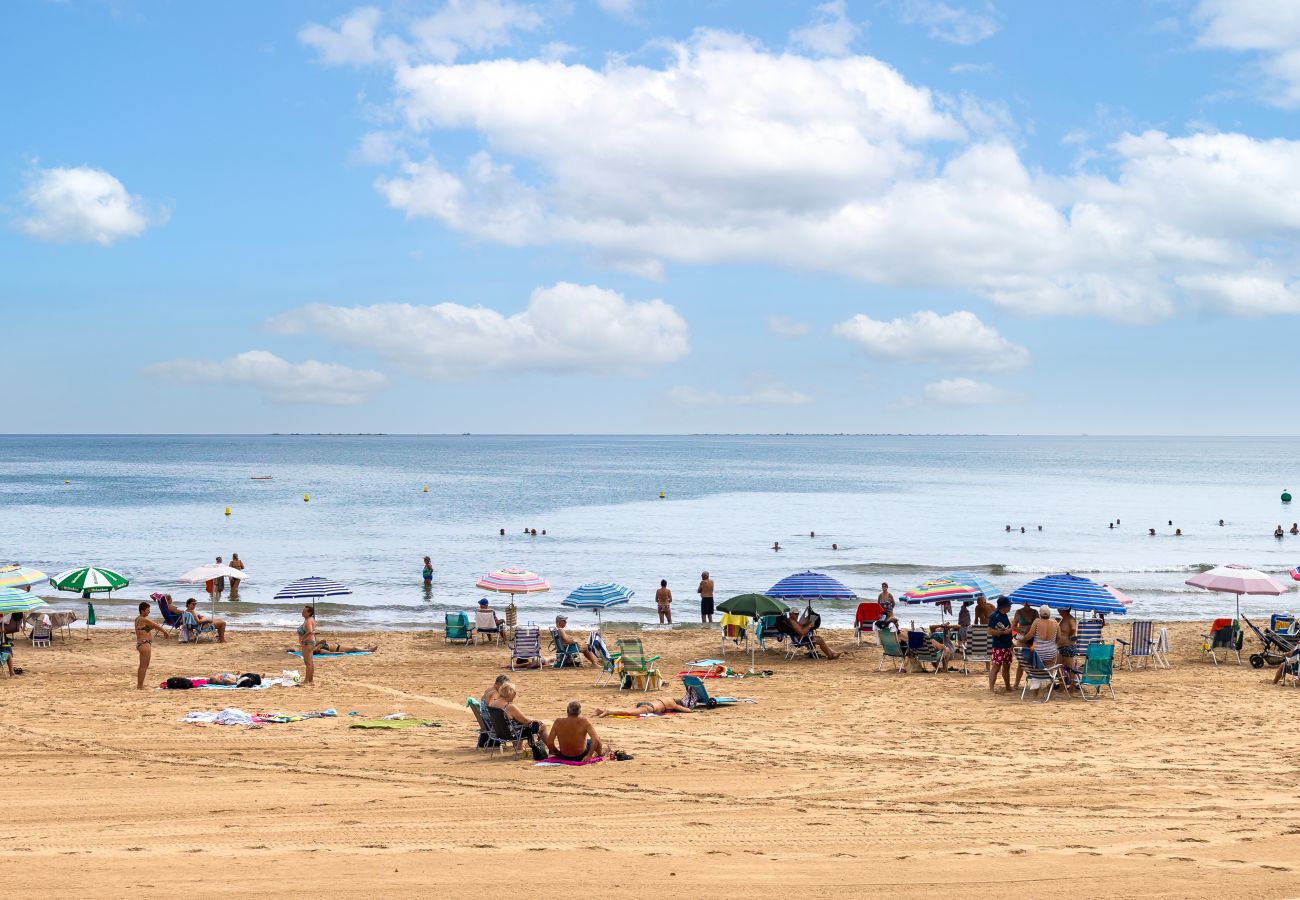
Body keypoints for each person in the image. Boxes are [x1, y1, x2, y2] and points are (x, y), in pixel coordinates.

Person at [489, 683, 549, 747]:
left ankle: (522, 746)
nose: (515, 695)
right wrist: (536, 720)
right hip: (512, 734)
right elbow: (525, 721)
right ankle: (551, 747)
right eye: (514, 692)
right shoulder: (509, 707)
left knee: (518, 723)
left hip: (499, 732)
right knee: (542, 726)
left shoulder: (493, 704)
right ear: (509, 693)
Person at [1020, 605, 1061, 694]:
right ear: (1049, 614)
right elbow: (1059, 638)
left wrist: (1022, 639)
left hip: (1038, 652)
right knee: (1049, 671)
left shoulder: (1037, 621)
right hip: (1051, 651)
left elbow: (1030, 634)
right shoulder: (1055, 623)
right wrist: (1051, 643)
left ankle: (1036, 693)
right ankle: (1050, 693)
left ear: (1040, 614)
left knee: (1037, 671)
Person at [134, 601, 171, 690]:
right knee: (144, 666)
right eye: (147, 610)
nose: (149, 611)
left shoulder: (138, 619)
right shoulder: (143, 619)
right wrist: (165, 632)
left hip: (142, 643)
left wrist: (151, 627)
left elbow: (145, 629)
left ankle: (140, 685)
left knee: (143, 665)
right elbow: (156, 625)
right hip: (144, 644)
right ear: (142, 611)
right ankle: (140, 686)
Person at [987, 596, 1014, 692]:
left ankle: (1008, 687)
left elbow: (1006, 629)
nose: (1010, 607)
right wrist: (1003, 633)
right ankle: (991, 689)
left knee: (1007, 667)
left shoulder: (1004, 615)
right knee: (996, 667)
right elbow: (989, 631)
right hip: (999, 646)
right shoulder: (995, 616)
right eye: (1009, 606)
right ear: (1004, 606)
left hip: (1007, 645)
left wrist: (1011, 641)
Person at [1011, 600, 1039, 689]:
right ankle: (1016, 683)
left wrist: (1031, 630)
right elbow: (1013, 626)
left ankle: (1035, 681)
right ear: (1023, 602)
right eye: (1025, 602)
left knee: (1034, 659)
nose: (1027, 603)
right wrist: (1021, 630)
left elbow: (1039, 624)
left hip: (1033, 639)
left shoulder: (1035, 612)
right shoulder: (1019, 612)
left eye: (1028, 602)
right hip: (1022, 639)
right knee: (1021, 662)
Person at [593, 697, 693, 716]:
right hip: (649, 708)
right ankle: (609, 712)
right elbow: (687, 710)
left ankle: (602, 709)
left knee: (626, 709)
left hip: (645, 703)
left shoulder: (667, 698)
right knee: (629, 713)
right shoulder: (673, 704)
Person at [297, 606, 317, 685]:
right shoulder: (310, 619)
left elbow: (309, 631)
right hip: (310, 642)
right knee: (310, 662)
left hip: (308, 643)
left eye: (304, 611)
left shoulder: (308, 621)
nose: (302, 612)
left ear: (309, 613)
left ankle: (306, 681)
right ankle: (311, 680)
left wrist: (303, 639)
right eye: (303, 610)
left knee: (308, 662)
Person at [313, 639, 377, 654]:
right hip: (339, 649)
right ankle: (369, 650)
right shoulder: (321, 650)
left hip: (339, 646)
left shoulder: (319, 645)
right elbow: (331, 653)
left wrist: (320, 642)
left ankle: (364, 647)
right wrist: (340, 653)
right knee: (354, 649)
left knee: (353, 647)